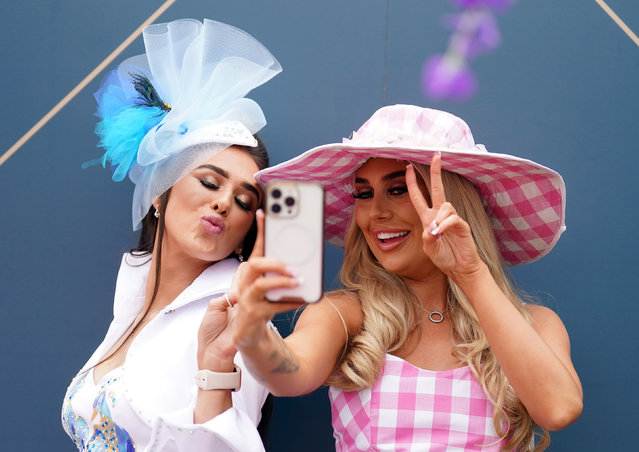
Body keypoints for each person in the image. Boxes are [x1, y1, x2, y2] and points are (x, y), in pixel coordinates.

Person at [232, 105, 583, 451]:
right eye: (363, 194)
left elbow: (559, 409)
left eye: (399, 189)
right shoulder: (345, 314)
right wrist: (252, 332)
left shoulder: (536, 323)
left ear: (453, 201)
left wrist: (470, 274)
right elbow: (288, 375)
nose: (376, 213)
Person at [61, 19, 281, 451]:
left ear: (245, 230)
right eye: (210, 182)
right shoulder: (133, 294)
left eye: (243, 201)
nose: (223, 203)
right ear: (160, 193)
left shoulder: (239, 318)